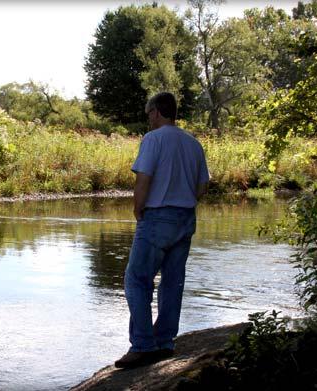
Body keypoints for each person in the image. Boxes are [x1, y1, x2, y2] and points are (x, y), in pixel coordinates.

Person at [114, 92, 210, 369]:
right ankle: (165, 342)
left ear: (157, 112)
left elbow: (144, 178)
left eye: (148, 114)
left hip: (157, 216)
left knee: (137, 280)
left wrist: (138, 209)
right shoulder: (193, 143)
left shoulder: (153, 139)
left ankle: (143, 346)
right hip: (185, 217)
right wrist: (185, 201)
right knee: (172, 282)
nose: (148, 119)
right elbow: (202, 186)